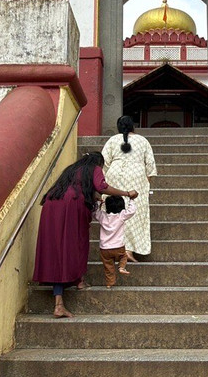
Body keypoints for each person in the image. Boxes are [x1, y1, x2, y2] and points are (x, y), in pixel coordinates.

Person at [32, 152, 137, 318]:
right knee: (77, 243)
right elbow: (102, 187)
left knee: (57, 249)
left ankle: (61, 300)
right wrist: (126, 193)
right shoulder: (94, 168)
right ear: (99, 163)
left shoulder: (72, 170)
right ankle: (78, 282)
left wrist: (95, 197)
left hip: (52, 206)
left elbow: (85, 189)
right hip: (72, 206)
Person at [101, 116, 157, 262]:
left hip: (115, 174)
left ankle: (115, 247)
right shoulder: (142, 140)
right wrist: (146, 180)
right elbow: (150, 164)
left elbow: (104, 162)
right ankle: (129, 250)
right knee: (135, 214)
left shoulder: (112, 140)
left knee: (116, 211)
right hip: (137, 176)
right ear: (133, 127)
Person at [94, 195, 137, 287]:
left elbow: (94, 213)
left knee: (108, 266)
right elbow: (132, 211)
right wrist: (131, 200)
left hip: (104, 248)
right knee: (124, 256)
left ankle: (110, 283)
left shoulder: (102, 216)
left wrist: (98, 203)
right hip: (118, 246)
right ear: (122, 206)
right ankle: (121, 267)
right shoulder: (121, 216)